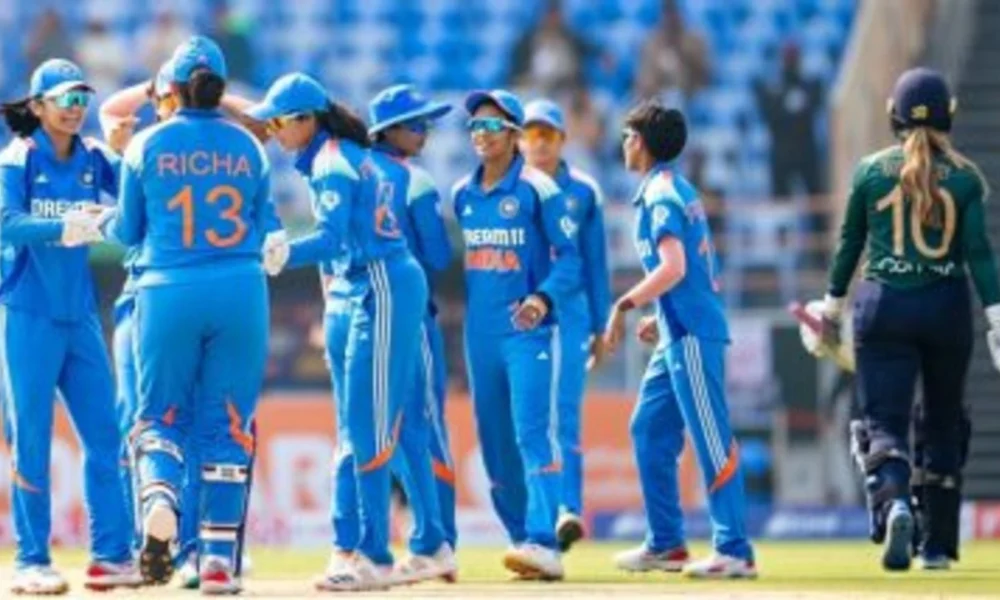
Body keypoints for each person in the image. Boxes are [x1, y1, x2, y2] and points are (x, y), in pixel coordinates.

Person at [812, 68, 1000, 571]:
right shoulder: (964, 178)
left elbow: (849, 245)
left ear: (892, 114)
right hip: (945, 307)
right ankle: (936, 545)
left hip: (884, 305)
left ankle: (894, 501)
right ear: (949, 116)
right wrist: (997, 317)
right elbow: (979, 254)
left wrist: (831, 308)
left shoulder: (871, 171)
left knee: (882, 422)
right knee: (942, 423)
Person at [246, 72, 428, 592]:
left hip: (381, 287)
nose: (274, 130)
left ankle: (375, 558)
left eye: (280, 121)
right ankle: (347, 549)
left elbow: (328, 239)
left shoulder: (332, 162)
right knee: (353, 432)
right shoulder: (334, 155)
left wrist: (279, 252)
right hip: (363, 287)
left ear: (307, 120)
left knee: (368, 431)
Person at [108, 36, 274, 594]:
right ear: (222, 90)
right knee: (228, 427)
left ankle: (160, 498)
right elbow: (263, 219)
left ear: (171, 89)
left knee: (159, 417)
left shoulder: (146, 145)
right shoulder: (250, 149)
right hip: (241, 290)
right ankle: (219, 564)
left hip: (166, 289)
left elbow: (128, 232)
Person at [0, 58, 138, 595]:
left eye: (83, 99)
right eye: (66, 99)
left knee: (105, 436)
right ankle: (32, 560)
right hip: (27, 315)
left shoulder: (94, 156)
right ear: (37, 107)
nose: (77, 108)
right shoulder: (16, 158)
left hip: (78, 316)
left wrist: (127, 150)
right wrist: (66, 227)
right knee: (30, 440)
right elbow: (6, 222)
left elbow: (133, 205)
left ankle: (110, 556)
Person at [602, 102, 757, 579]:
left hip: (691, 333)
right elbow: (678, 273)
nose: (623, 143)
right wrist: (657, 313)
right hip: (675, 329)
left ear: (643, 142)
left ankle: (734, 550)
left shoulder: (663, 194)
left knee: (711, 438)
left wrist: (625, 306)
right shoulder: (664, 189)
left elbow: (675, 268)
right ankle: (666, 543)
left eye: (629, 135)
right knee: (647, 428)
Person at [453, 89, 581, 581]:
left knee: (531, 432)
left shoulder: (538, 189)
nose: (480, 136)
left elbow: (569, 258)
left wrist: (542, 297)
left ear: (513, 134)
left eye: (490, 127)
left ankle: (544, 539)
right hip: (479, 336)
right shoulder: (463, 194)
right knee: (495, 442)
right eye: (474, 129)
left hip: (526, 332)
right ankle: (519, 539)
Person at [367, 83, 458, 583]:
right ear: (388, 131)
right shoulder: (415, 180)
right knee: (423, 428)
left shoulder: (357, 171)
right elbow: (441, 257)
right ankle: (438, 540)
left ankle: (426, 541)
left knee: (390, 430)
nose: (424, 131)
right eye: (415, 123)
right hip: (413, 318)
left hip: (370, 318)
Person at [519, 98, 611, 552]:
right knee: (528, 421)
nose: (539, 143)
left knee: (563, 415)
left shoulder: (584, 192)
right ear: (519, 139)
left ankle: (567, 510)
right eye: (531, 134)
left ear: (562, 140)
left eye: (547, 135)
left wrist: (602, 324)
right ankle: (539, 514)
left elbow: (594, 264)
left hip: (569, 316)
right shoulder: (508, 190)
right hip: (519, 318)